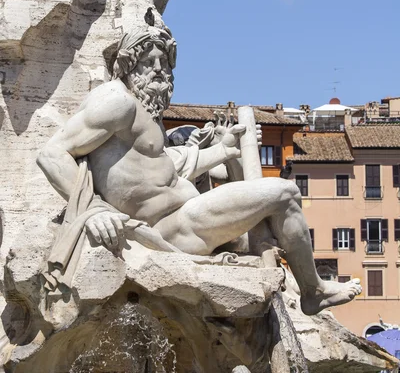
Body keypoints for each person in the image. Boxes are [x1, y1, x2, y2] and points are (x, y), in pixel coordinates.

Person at [37, 19, 361, 315]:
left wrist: (224, 149)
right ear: (128, 64)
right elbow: (52, 154)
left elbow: (169, 167)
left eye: (165, 64)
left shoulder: (145, 112)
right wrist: (93, 210)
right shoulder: (116, 101)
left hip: (187, 217)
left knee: (268, 231)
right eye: (150, 62)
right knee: (286, 192)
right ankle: (313, 291)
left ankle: (299, 292)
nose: (160, 72)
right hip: (173, 227)